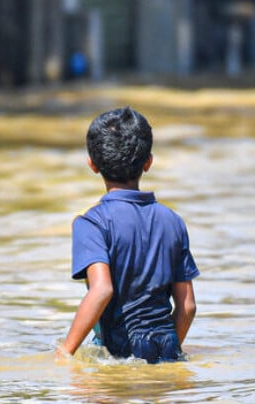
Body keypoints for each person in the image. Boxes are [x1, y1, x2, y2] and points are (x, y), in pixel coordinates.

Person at [58, 106, 199, 363]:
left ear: (92, 164)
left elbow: (101, 291)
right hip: (167, 349)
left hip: (118, 353)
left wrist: (64, 353)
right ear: (148, 162)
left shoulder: (91, 223)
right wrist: (167, 354)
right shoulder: (173, 222)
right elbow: (187, 307)